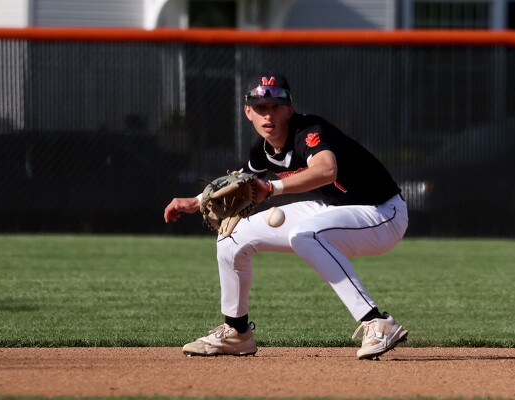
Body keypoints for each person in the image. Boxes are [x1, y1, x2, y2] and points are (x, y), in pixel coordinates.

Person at [164, 71, 409, 360]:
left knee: (304, 235)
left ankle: (376, 321)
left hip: (382, 213)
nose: (268, 115)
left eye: (275, 106)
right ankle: (236, 332)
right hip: (334, 208)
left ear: (289, 110)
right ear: (248, 112)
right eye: (260, 107)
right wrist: (196, 201)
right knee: (232, 237)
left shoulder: (309, 131)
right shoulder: (262, 150)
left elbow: (326, 170)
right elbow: (240, 183)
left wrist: (272, 187)